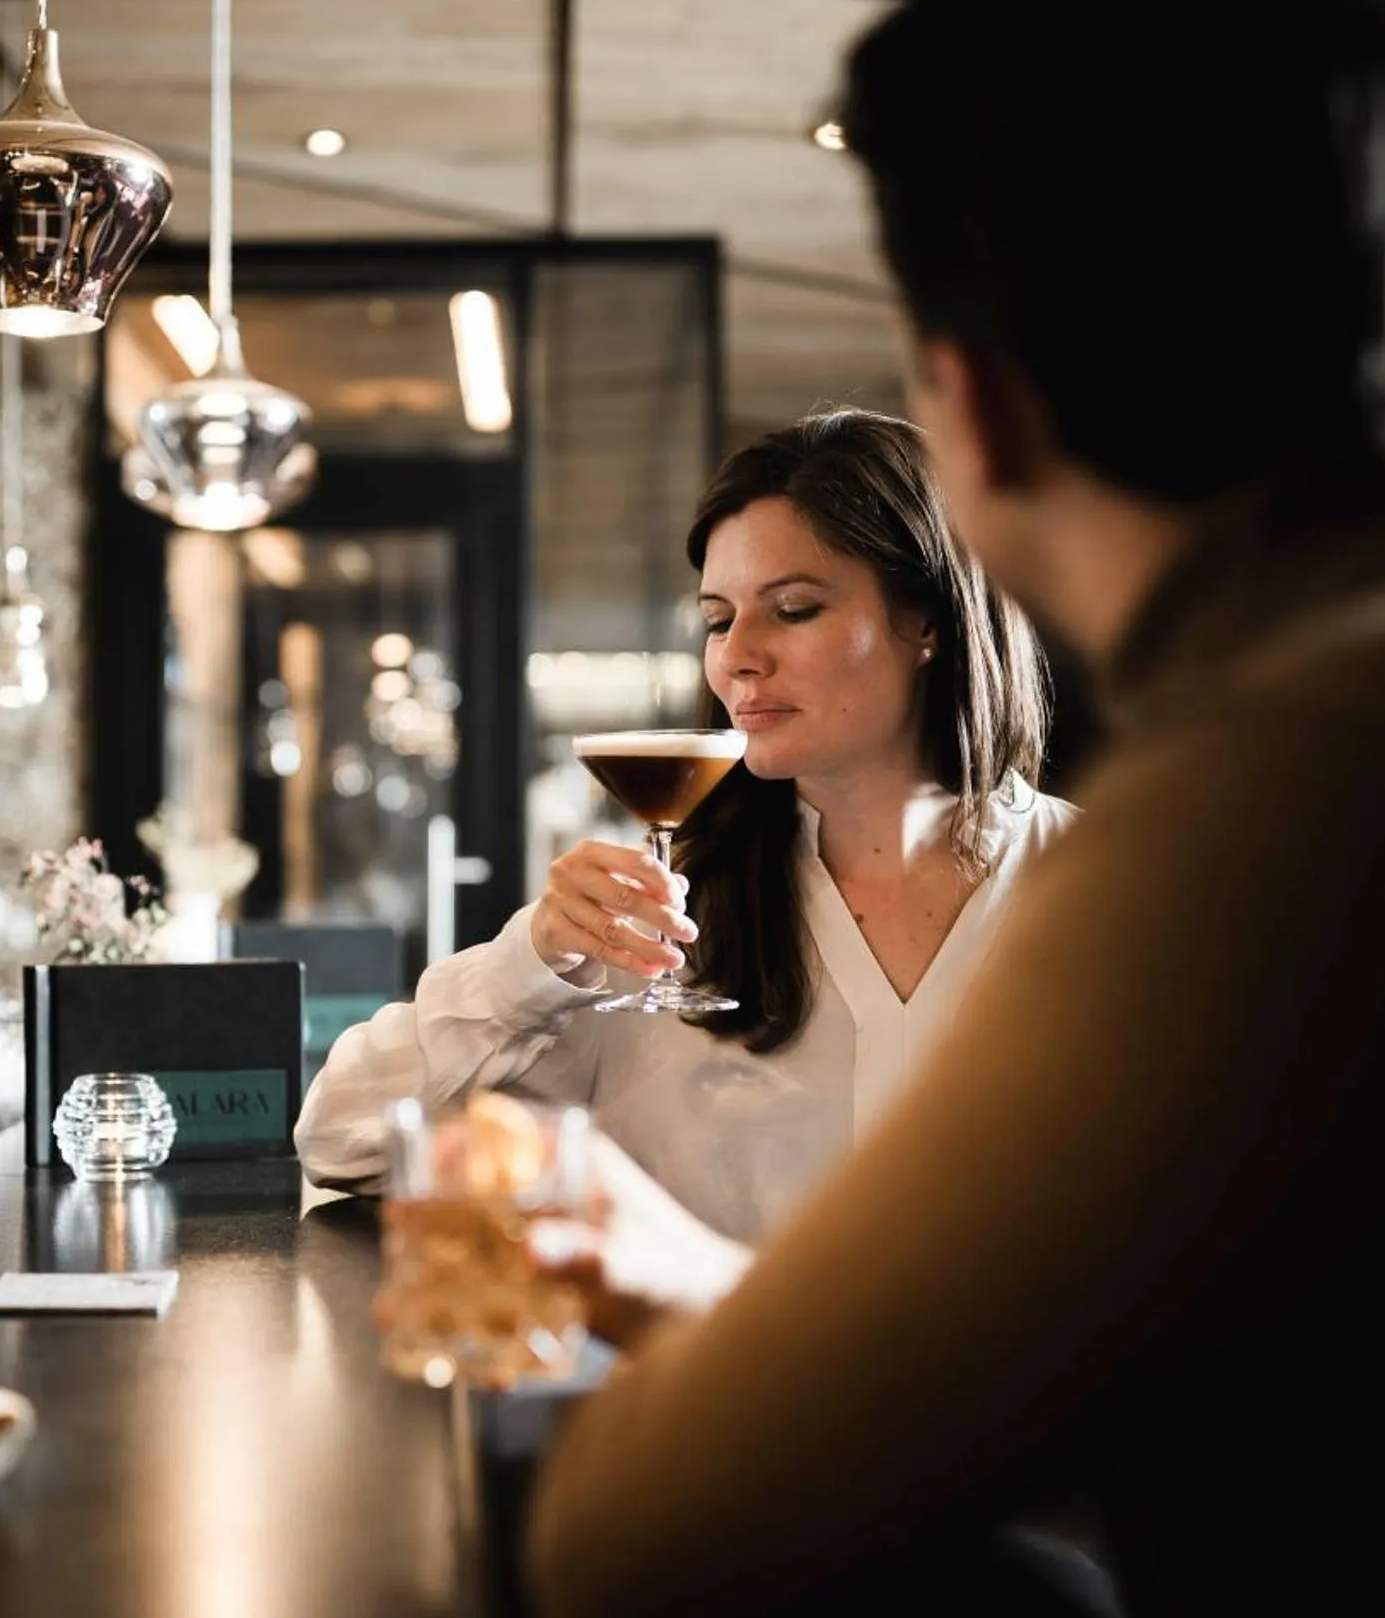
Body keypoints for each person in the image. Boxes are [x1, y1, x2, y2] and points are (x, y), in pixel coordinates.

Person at [521, 0, 1385, 1618]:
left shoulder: (1300, 783)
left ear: (976, 414)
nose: (739, 653)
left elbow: (635, 1552)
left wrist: (669, 1283)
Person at [293, 410, 1072, 1247]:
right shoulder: (656, 921)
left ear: (928, 621)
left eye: (794, 608)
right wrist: (532, 962)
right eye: (718, 619)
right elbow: (342, 1136)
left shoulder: (1105, 885)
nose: (738, 656)